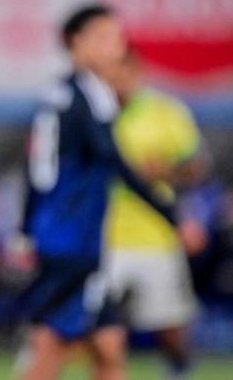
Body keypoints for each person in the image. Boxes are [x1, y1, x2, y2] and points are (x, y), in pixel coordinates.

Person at [17, 3, 180, 380]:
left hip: (64, 236)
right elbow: (115, 162)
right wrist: (171, 215)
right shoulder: (88, 96)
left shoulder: (58, 94)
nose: (116, 47)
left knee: (108, 345)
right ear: (76, 42)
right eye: (105, 37)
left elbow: (36, 170)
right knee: (51, 345)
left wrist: (26, 228)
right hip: (74, 240)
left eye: (118, 38)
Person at [104, 50, 207, 380]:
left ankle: (180, 370)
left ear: (138, 73)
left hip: (155, 236)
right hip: (103, 237)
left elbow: (196, 168)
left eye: (123, 74)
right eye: (111, 75)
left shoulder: (166, 112)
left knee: (170, 329)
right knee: (101, 329)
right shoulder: (93, 113)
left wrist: (166, 172)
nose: (117, 83)